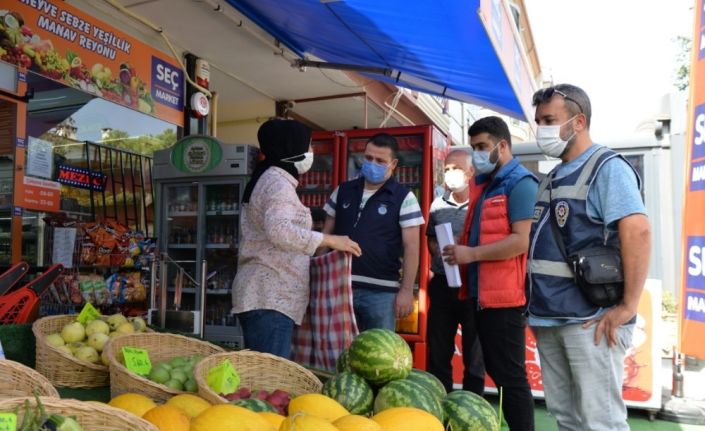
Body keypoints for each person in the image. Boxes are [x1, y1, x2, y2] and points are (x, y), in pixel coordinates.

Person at [528, 84, 651, 430]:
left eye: (550, 120)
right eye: (538, 121)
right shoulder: (551, 178)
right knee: (567, 418)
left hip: (590, 320)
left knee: (602, 421)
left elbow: (638, 231)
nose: (542, 130)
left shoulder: (607, 167)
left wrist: (628, 306)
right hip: (550, 316)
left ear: (578, 121)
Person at [232, 119, 361, 359]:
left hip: (264, 296)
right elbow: (280, 230)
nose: (311, 151)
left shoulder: (270, 178)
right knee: (269, 380)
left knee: (262, 378)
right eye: (308, 145)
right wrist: (331, 240)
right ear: (290, 147)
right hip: (270, 297)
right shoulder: (278, 183)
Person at [442, 116, 537, 430]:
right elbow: (486, 235)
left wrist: (471, 254)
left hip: (505, 300)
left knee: (511, 378)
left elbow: (520, 241)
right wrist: (460, 248)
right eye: (474, 147)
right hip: (481, 296)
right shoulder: (483, 185)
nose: (477, 153)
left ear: (503, 145)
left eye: (482, 146)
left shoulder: (519, 183)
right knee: (499, 374)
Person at [321, 133, 424, 331]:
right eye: (368, 158)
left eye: (380, 161)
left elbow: (412, 246)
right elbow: (326, 234)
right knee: (338, 355)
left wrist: (406, 290)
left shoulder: (404, 197)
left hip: (382, 294)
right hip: (339, 287)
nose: (372, 164)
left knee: (379, 356)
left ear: (393, 164)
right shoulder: (343, 190)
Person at [426, 149, 486, 394]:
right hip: (442, 284)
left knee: (475, 357)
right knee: (438, 353)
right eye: (447, 169)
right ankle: (439, 408)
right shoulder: (438, 203)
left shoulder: (482, 202)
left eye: (456, 168)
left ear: (470, 171)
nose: (450, 173)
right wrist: (438, 250)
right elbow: (430, 238)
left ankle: (471, 407)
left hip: (473, 286)